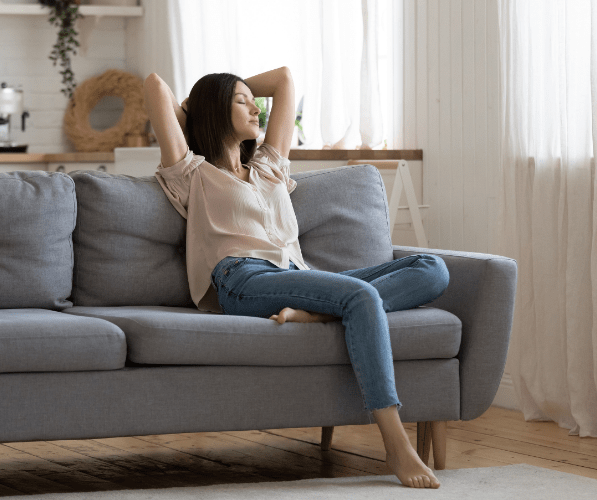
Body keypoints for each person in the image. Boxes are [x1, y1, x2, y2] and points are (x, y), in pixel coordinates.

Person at [143, 67, 449, 489]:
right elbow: (155, 85)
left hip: (294, 275)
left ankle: (317, 313)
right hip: (241, 278)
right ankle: (396, 443)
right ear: (215, 111)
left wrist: (236, 94)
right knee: (359, 297)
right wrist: (198, 108)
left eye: (254, 99)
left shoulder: (268, 167)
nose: (256, 107)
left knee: (432, 269)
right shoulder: (192, 173)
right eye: (241, 100)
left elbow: (285, 79)